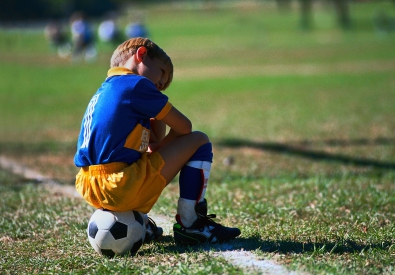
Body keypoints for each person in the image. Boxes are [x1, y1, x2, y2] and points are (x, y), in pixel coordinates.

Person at [74, 37, 241, 245]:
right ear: (141, 55)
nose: (162, 85)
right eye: (162, 72)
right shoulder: (135, 85)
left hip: (89, 184)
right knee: (199, 140)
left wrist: (154, 121)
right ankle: (192, 224)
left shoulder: (107, 88)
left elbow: (151, 145)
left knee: (148, 158)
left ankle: (139, 221)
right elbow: (184, 127)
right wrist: (166, 142)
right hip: (119, 185)